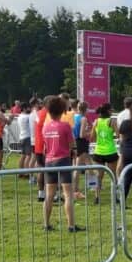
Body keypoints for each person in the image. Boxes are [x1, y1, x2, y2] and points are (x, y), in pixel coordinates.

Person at [40, 95, 82, 232]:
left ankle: (46, 224)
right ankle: (71, 225)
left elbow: (46, 145)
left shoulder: (45, 127)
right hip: (63, 160)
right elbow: (71, 144)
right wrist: (74, 151)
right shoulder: (65, 126)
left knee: (49, 195)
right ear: (62, 110)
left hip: (49, 161)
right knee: (68, 194)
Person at [90, 103, 119, 205]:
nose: (112, 112)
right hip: (110, 151)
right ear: (108, 111)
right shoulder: (112, 121)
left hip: (98, 152)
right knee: (113, 175)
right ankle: (115, 197)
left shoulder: (96, 122)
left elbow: (91, 137)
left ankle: (97, 197)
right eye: (111, 110)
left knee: (99, 176)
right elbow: (118, 134)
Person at [73, 100, 91, 199]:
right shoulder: (83, 119)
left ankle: (93, 185)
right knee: (78, 167)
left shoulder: (74, 116)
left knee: (89, 164)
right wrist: (90, 132)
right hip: (81, 142)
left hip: (77, 142)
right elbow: (82, 134)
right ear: (86, 109)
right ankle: (75, 190)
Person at [18, 100, 34, 173]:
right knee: (29, 156)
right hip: (28, 137)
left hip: (22, 137)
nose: (30, 109)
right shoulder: (28, 116)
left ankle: (20, 172)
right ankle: (26, 172)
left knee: (23, 155)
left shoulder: (20, 116)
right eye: (28, 108)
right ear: (24, 108)